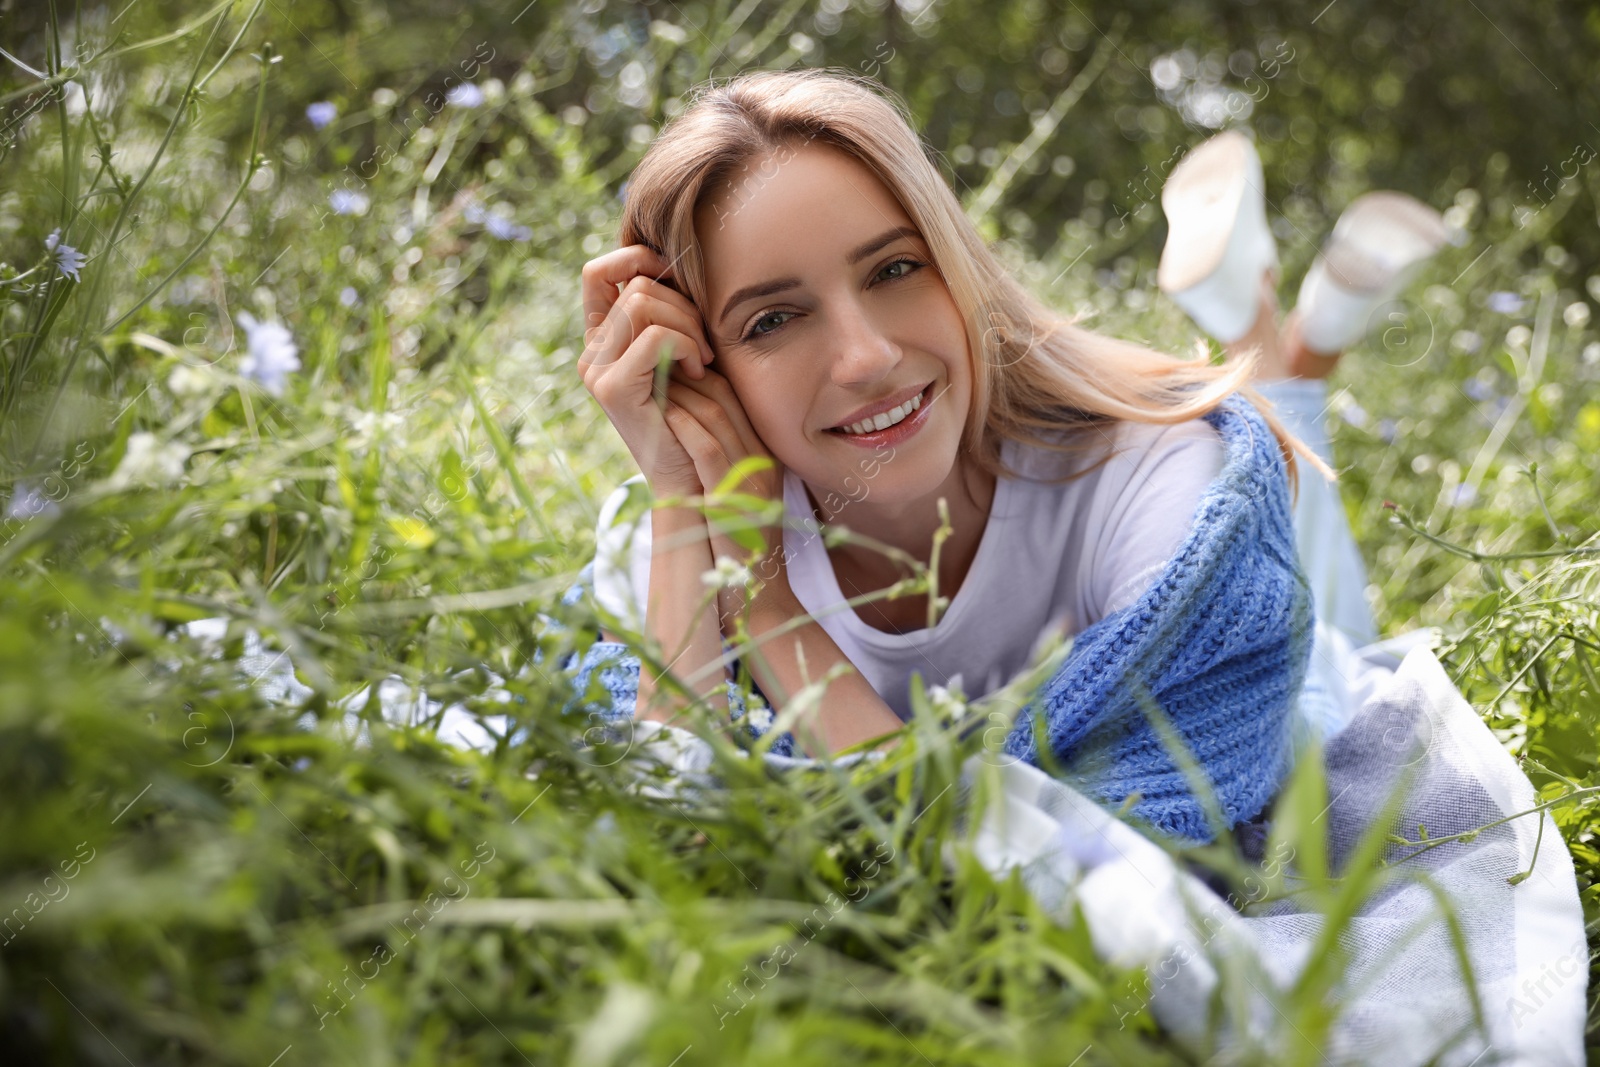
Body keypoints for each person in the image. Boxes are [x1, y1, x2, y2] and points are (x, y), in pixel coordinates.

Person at [566, 68, 1437, 846]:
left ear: (956, 265)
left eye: (895, 269)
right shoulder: (675, 542)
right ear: (700, 368)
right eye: (773, 320)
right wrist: (698, 517)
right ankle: (1290, 331)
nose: (866, 357)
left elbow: (1023, 860)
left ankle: (1263, 339)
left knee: (1338, 637)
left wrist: (764, 613)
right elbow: (671, 843)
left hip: (1304, 692)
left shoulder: (1156, 471)